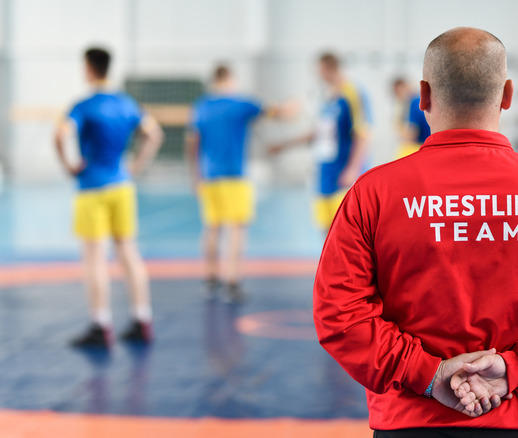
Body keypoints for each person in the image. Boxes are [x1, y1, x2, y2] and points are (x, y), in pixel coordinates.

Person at [313, 27, 518, 437]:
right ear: (507, 95)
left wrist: (429, 374)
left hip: (409, 421)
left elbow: (338, 314)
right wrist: (514, 368)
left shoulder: (372, 194)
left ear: (423, 96)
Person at [55, 47, 164, 348]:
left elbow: (59, 134)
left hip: (92, 187)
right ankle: (142, 319)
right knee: (128, 250)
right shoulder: (128, 104)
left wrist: (68, 166)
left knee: (94, 258)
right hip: (122, 186)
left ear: (89, 68)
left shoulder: (83, 105)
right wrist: (137, 166)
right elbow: (155, 134)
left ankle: (100, 325)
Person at [187, 64, 299, 302]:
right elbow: (278, 113)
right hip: (235, 177)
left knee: (212, 227)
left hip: (209, 177)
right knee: (236, 229)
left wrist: (195, 175)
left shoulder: (201, 107)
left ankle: (209, 279)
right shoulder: (241, 104)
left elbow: (192, 143)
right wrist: (292, 107)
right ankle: (232, 281)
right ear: (230, 79)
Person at [269, 52, 371, 230]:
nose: (317, 75)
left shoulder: (352, 93)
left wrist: (353, 168)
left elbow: (362, 134)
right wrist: (284, 145)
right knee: (326, 231)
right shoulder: (327, 98)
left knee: (347, 233)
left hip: (343, 175)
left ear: (328, 69)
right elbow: (317, 134)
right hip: (325, 174)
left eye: (319, 70)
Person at [392, 77, 431, 158]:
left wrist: (398, 126)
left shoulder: (414, 102)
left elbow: (411, 135)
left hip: (423, 148)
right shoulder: (423, 99)